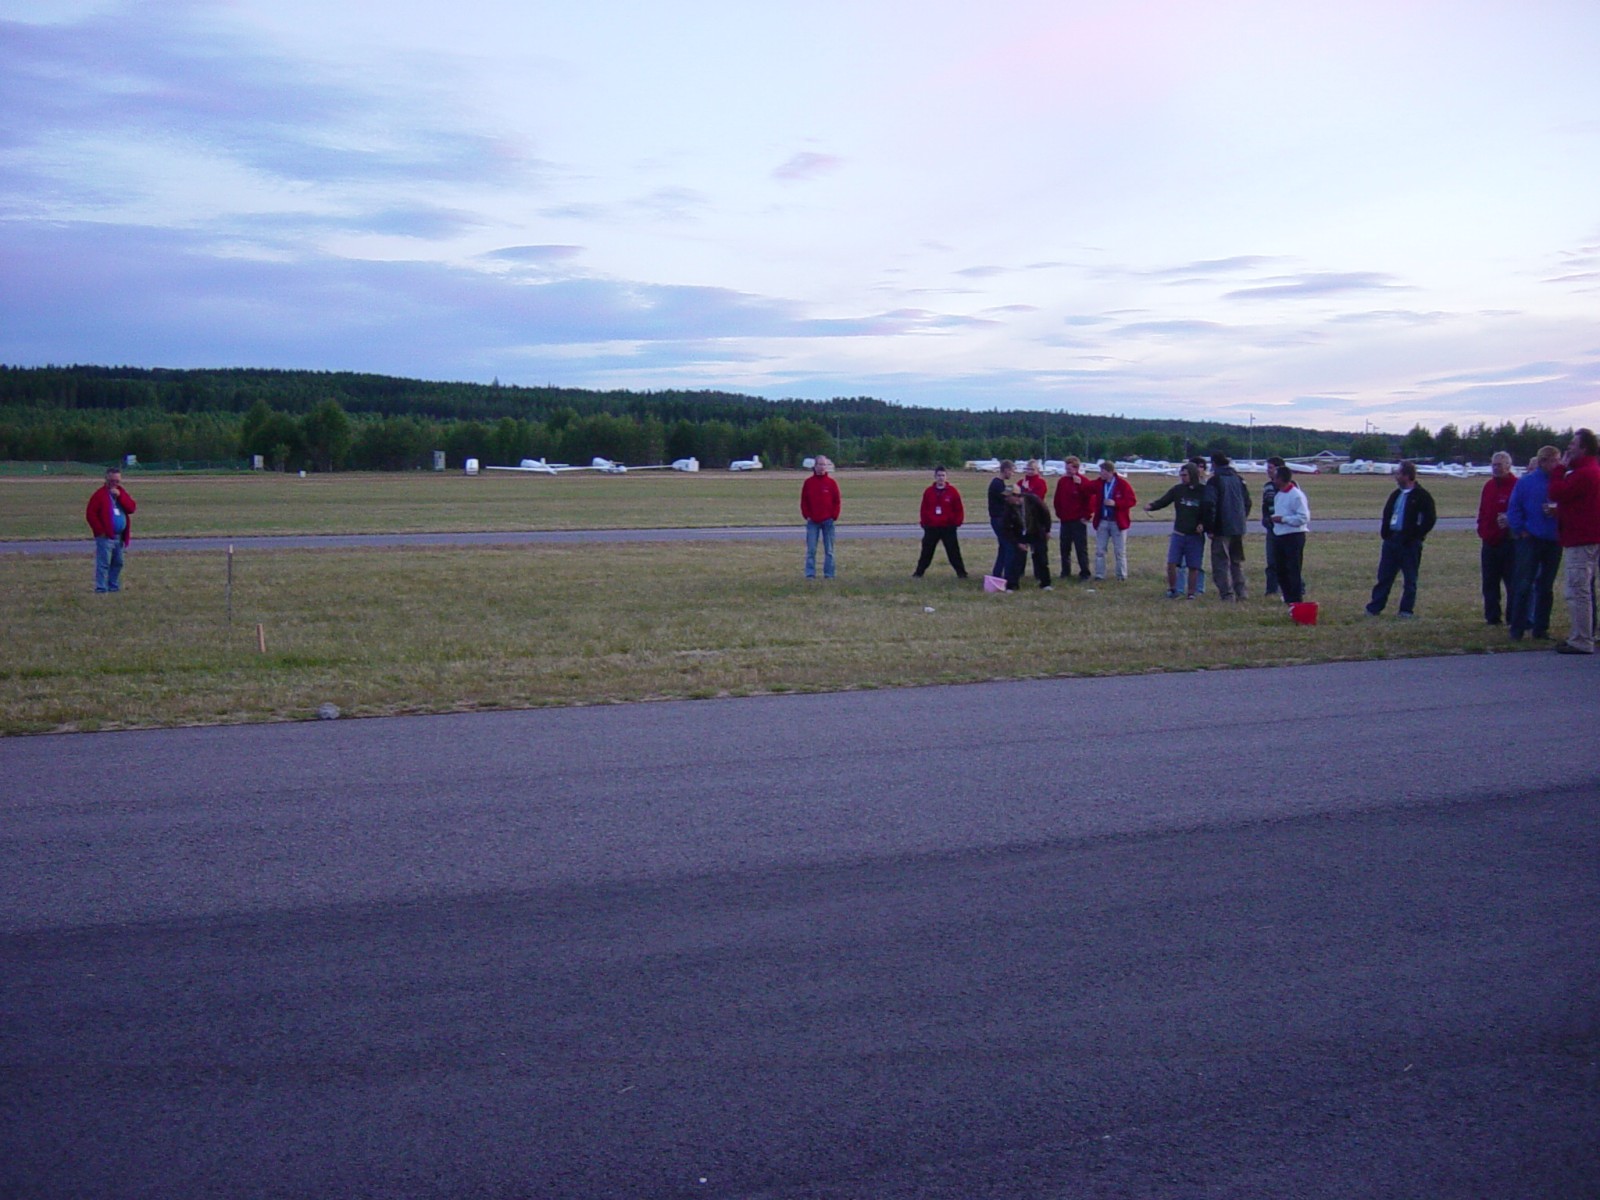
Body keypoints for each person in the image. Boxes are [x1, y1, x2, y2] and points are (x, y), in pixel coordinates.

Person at [1548, 428, 1600, 655]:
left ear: (1584, 448)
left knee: (1578, 590)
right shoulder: (1591, 471)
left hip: (1581, 539)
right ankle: (1584, 634)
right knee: (1583, 589)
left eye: (1573, 444)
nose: (1569, 448)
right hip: (1587, 536)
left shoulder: (1584, 474)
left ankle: (1582, 639)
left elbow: (1556, 492)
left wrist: (1559, 469)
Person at [1364, 461, 1437, 619]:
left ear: (1407, 475)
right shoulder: (1395, 495)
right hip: (1392, 541)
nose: (1396, 477)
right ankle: (1374, 607)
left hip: (1409, 544)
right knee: (1384, 577)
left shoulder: (1422, 496)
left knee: (1410, 579)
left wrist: (1415, 535)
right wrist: (1386, 534)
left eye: (1398, 473)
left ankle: (1406, 610)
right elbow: (1387, 514)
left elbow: (1429, 519)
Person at [1506, 446, 1563, 641]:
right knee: (1523, 584)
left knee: (1546, 586)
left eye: (1559, 460)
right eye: (1554, 460)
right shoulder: (1526, 482)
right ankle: (1517, 628)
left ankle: (1541, 628)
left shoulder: (1560, 482)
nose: (1557, 464)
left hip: (1553, 540)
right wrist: (1520, 530)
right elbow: (1514, 508)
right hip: (1530, 539)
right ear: (1542, 462)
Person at [1146, 463, 1206, 599]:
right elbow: (1164, 500)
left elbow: (1209, 510)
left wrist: (1203, 524)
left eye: (1185, 475)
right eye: (1181, 475)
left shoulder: (1203, 491)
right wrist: (1152, 506)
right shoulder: (1178, 490)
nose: (1182, 478)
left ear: (1192, 475)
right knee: (1172, 563)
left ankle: (1191, 593)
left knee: (1193, 566)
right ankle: (1173, 590)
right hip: (1179, 533)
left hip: (1195, 535)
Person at [1201, 452, 1252, 601]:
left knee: (1221, 563)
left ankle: (1227, 594)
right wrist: (1241, 519)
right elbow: (1247, 502)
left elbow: (1210, 504)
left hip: (1222, 527)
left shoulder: (1215, 481)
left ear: (1214, 464)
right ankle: (1241, 592)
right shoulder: (1239, 479)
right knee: (1236, 561)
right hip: (1238, 527)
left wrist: (1210, 527)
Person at [1476, 451, 1518, 626]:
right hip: (1489, 541)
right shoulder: (1489, 486)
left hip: (1509, 541)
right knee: (1489, 582)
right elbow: (1483, 510)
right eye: (1493, 465)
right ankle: (1492, 617)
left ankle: (1513, 617)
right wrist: (1482, 529)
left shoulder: (1516, 486)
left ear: (1508, 466)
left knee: (1512, 582)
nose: (1495, 468)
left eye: (1499, 465)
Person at [85, 465, 137, 593]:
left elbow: (131, 508)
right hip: (105, 536)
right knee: (104, 563)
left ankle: (113, 586)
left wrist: (120, 496)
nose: (115, 484)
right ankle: (101, 588)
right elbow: (91, 514)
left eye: (117, 481)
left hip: (119, 536)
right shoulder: (99, 495)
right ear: (106, 479)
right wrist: (100, 531)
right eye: (112, 481)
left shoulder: (121, 492)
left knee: (118, 562)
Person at [914, 466, 967, 578]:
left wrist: (956, 522)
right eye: (939, 475)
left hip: (948, 527)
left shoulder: (952, 492)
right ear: (935, 476)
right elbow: (924, 508)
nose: (941, 478)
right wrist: (925, 523)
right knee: (926, 551)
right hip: (932, 527)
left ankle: (961, 573)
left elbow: (959, 509)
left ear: (946, 477)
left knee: (953, 551)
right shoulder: (929, 492)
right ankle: (919, 573)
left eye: (943, 475)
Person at [1268, 465, 1309, 605]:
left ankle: (1296, 599)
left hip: (1294, 536)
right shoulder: (1279, 495)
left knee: (1293, 569)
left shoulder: (1296, 495)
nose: (1273, 480)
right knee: (1281, 569)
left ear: (1281, 478)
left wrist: (1284, 519)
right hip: (1279, 535)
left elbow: (1303, 518)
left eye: (1275, 477)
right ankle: (1287, 597)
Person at [1090, 460, 1137, 581]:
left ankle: (1121, 575)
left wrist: (1116, 503)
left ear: (1110, 472)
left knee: (1119, 551)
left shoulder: (1122, 484)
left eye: (1102, 471)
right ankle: (1099, 575)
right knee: (1100, 550)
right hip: (1103, 521)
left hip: (1117, 522)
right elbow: (1087, 488)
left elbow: (1132, 501)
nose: (1100, 473)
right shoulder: (1099, 483)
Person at [1052, 456, 1094, 580]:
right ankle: (1065, 571)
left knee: (1081, 548)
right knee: (1064, 548)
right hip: (1065, 519)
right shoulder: (1062, 481)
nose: (1067, 471)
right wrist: (1060, 513)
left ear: (1076, 468)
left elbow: (1090, 499)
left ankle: (1085, 572)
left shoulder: (1084, 481)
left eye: (1070, 469)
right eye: (1066, 469)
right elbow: (1057, 499)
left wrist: (1086, 516)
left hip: (1078, 520)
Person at [800, 455, 840, 579]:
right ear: (815, 466)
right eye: (820, 464)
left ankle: (829, 574)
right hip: (813, 521)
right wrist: (807, 515)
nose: (822, 467)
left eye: (824, 465)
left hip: (828, 521)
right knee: (811, 549)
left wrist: (834, 516)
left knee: (829, 550)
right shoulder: (808, 483)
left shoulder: (831, 483)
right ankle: (810, 574)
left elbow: (837, 501)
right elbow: (804, 501)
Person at [1016, 484, 1054, 590]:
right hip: (1022, 533)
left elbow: (1045, 513)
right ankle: (1013, 584)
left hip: (1037, 531)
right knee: (1017, 557)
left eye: (1010, 497)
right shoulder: (1010, 505)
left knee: (1041, 557)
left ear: (1018, 496)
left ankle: (1045, 583)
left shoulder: (1033, 500)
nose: (1007, 499)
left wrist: (1047, 530)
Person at [987, 460, 1019, 580]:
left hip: (998, 519)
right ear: (1006, 470)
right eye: (1012, 471)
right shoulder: (997, 484)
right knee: (1009, 546)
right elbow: (1007, 497)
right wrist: (1017, 489)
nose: (1012, 474)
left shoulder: (999, 484)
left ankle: (997, 574)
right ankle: (1008, 576)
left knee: (1003, 547)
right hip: (998, 519)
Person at [1260, 456, 1286, 597]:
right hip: (1272, 527)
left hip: (1285, 527)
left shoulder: (1289, 486)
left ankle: (1295, 586)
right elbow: (1265, 505)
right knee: (1271, 560)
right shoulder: (1267, 486)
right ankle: (1271, 589)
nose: (1267, 471)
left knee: (1287, 560)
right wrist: (1265, 518)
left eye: (1270, 468)